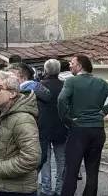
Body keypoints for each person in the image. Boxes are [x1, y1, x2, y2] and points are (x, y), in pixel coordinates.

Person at [58, 55, 108, 196]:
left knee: (71, 170)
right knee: (92, 171)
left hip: (78, 129)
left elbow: (61, 99)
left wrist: (66, 118)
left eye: (72, 63)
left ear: (80, 66)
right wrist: (104, 111)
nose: (70, 65)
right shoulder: (101, 82)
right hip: (97, 130)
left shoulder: (71, 82)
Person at [0, 70, 41, 196]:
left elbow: (31, 158)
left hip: (17, 190)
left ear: (12, 93)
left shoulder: (22, 119)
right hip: (1, 186)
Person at [7, 63, 51, 170]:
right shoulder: (38, 90)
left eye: (11, 77)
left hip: (27, 138)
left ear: (23, 78)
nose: (7, 80)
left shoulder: (25, 94)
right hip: (36, 137)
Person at [38, 59, 67, 196]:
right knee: (61, 160)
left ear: (45, 71)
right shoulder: (66, 85)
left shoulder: (39, 86)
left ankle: (46, 189)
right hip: (62, 126)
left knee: (45, 160)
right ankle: (61, 189)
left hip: (43, 127)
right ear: (59, 70)